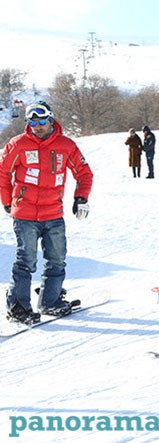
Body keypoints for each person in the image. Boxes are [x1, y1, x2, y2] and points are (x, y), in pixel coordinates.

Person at [1, 101, 93, 324]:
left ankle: (50, 302)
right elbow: (3, 173)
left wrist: (81, 197)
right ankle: (18, 307)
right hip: (25, 214)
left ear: (51, 120)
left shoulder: (66, 145)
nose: (37, 126)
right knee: (26, 261)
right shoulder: (18, 145)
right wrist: (7, 202)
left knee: (57, 260)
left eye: (42, 122)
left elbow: (84, 173)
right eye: (33, 123)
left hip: (53, 213)